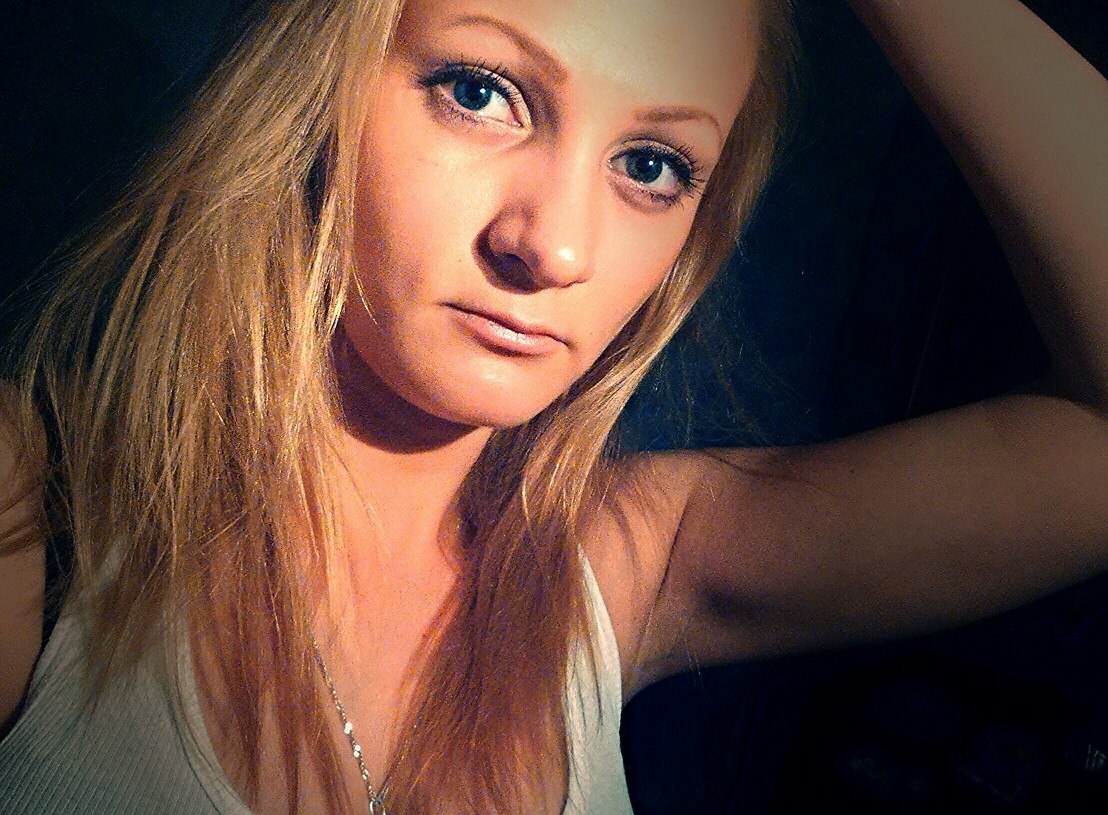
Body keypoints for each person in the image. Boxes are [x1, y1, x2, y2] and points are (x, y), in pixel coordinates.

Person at [0, 0, 1105, 813]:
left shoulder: (624, 566)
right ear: (311, 90)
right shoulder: (32, 509)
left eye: (652, 165)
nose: (556, 247)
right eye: (481, 93)